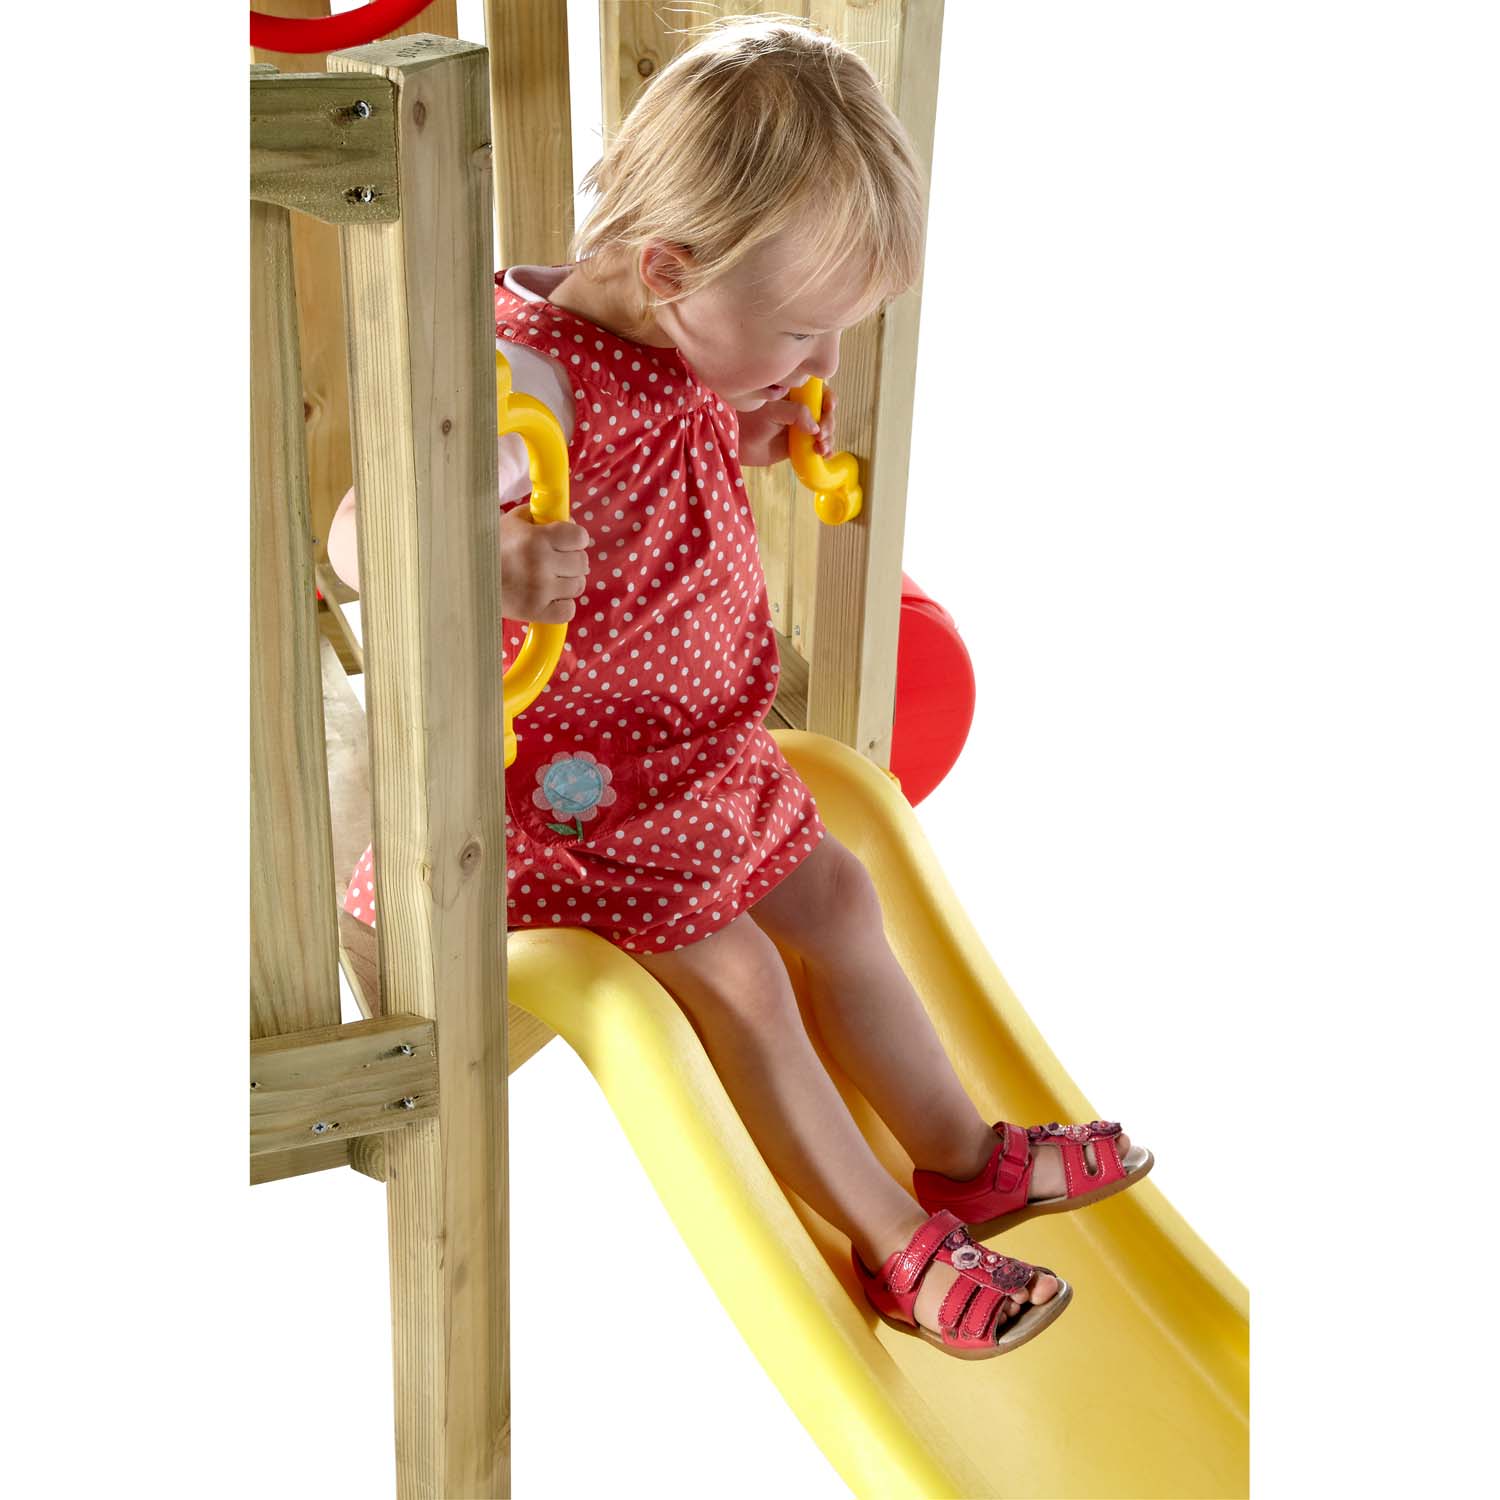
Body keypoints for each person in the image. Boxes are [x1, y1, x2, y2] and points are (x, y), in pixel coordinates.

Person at [328, 12, 1152, 1359]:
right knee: (746, 973)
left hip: (684, 770)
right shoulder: (517, 377)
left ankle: (955, 1154)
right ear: (669, 269)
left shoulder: (672, 334)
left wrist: (749, 419)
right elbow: (359, 532)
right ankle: (896, 1246)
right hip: (551, 807)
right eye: (805, 333)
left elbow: (668, 452)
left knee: (836, 889)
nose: (823, 366)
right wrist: (487, 555)